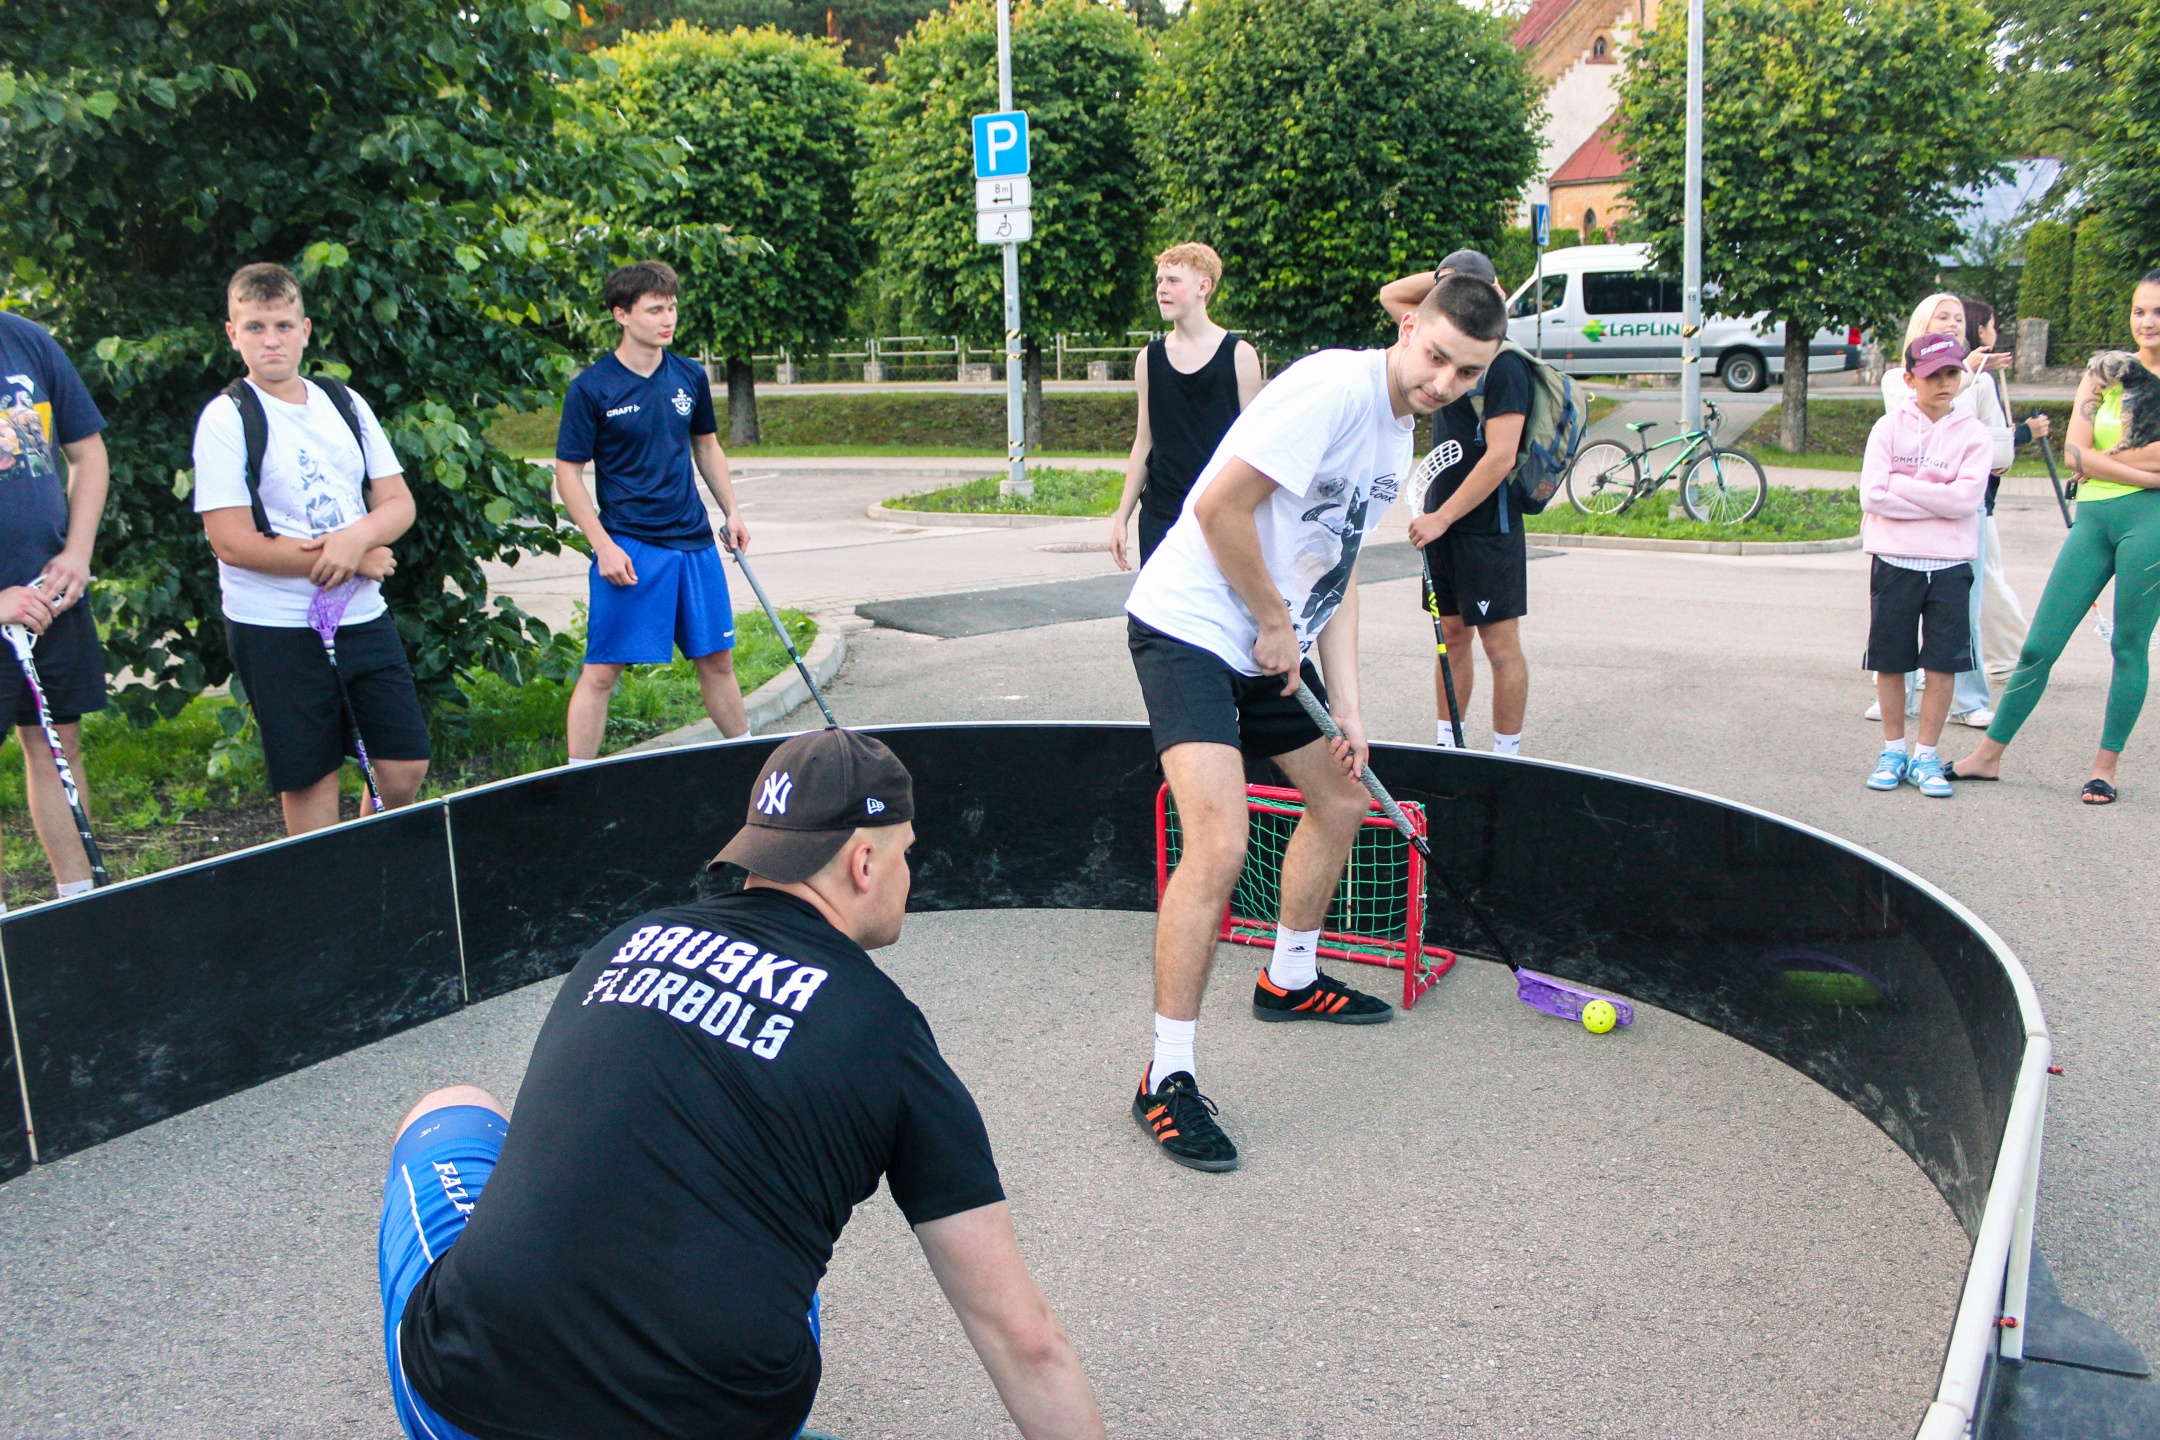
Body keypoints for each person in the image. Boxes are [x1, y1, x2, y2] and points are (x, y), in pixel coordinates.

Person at [379, 728, 1106, 1440]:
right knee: (766, 1229)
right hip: (715, 1417)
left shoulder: (624, 942)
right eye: (904, 854)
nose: (907, 874)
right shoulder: (889, 1034)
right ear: (863, 863)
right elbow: (1025, 1341)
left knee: (452, 1107)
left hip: (461, 1400)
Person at [1122, 274, 1507, 1172]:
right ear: (1407, 327)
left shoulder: (1399, 434)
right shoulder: (1333, 388)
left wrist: (1351, 712)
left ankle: (1289, 977)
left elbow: (1336, 570)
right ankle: (1164, 1077)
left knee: (1341, 798)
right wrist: (1270, 620)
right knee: (1219, 843)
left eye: (1466, 373)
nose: (1443, 382)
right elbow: (1216, 508)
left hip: (1273, 643)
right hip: (1190, 628)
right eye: (1436, 356)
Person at [193, 263, 427, 836]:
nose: (270, 340)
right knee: (311, 779)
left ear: (305, 330)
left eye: (282, 326)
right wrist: (351, 559)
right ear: (232, 334)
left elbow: (397, 502)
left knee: (403, 766)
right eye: (255, 328)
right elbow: (230, 541)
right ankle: (325, 881)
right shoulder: (227, 417)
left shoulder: (342, 401)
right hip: (274, 625)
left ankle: (369, 861)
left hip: (361, 615)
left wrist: (356, 540)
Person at [1952, 271, 2160, 804]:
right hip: (2093, 520)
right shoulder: (2104, 372)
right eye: (2139, 310)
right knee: (2039, 645)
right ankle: (1988, 756)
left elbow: (2091, 456)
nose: (2147, 322)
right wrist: (2146, 473)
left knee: (2128, 646)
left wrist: (2102, 462)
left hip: (2151, 525)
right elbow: (2073, 452)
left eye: (2158, 312)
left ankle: (2105, 768)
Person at [555, 261, 752, 762]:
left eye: (673, 308)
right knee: (603, 671)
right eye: (655, 310)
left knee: (718, 661)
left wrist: (731, 510)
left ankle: (750, 765)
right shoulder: (592, 388)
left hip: (694, 542)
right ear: (621, 314)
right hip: (631, 546)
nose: (669, 319)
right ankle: (576, 779)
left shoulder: (689, 375)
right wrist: (602, 545)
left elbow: (706, 446)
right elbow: (567, 474)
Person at [1379, 250, 1532, 754]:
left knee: (1499, 646)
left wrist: (1442, 518)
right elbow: (1390, 296)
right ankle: (1450, 748)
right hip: (1441, 520)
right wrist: (1446, 281)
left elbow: (1501, 457)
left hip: (1486, 525)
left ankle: (1508, 758)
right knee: (1451, 634)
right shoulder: (1439, 342)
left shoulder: (1504, 362)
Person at [0, 311, 110, 906]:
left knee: (56, 744)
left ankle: (79, 908)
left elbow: (88, 454)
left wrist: (76, 554)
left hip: (51, 595)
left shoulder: (27, 340)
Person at [1860, 333, 1992, 799]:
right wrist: (1939, 499)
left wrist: (1903, 484)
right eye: (1933, 374)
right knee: (1891, 661)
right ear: (1909, 378)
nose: (1944, 382)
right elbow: (1872, 495)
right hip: (1895, 561)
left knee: (1942, 665)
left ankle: (1926, 755)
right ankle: (1893, 750)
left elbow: (1966, 501)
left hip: (1951, 565)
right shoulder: (1887, 428)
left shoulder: (1974, 434)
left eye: (1952, 372)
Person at [1873, 292, 2003, 725]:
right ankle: (1900, 696)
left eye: (1959, 318)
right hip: (1905, 531)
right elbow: (1878, 482)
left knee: (1961, 615)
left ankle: (1968, 701)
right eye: (1942, 316)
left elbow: (1994, 446)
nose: (1952, 324)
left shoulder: (1980, 380)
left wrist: (1905, 484)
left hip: (1959, 518)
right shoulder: (1898, 379)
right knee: (1898, 622)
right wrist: (1937, 492)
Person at [1109, 243, 1264, 570]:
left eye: (1173, 280)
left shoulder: (1240, 356)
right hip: (1161, 516)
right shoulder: (1148, 359)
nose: (1161, 289)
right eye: (1159, 281)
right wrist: (1121, 517)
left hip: (1220, 515)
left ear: (1203, 287)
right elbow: (1144, 442)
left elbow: (1253, 448)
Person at [1960, 296, 2050, 699]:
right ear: (1980, 331)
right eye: (1992, 325)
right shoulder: (1975, 381)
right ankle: (2012, 658)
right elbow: (1986, 443)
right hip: (1975, 499)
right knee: (1987, 578)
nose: (1996, 332)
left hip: (1980, 497)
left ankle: (2005, 657)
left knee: (1982, 577)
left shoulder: (1979, 378)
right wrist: (2026, 432)